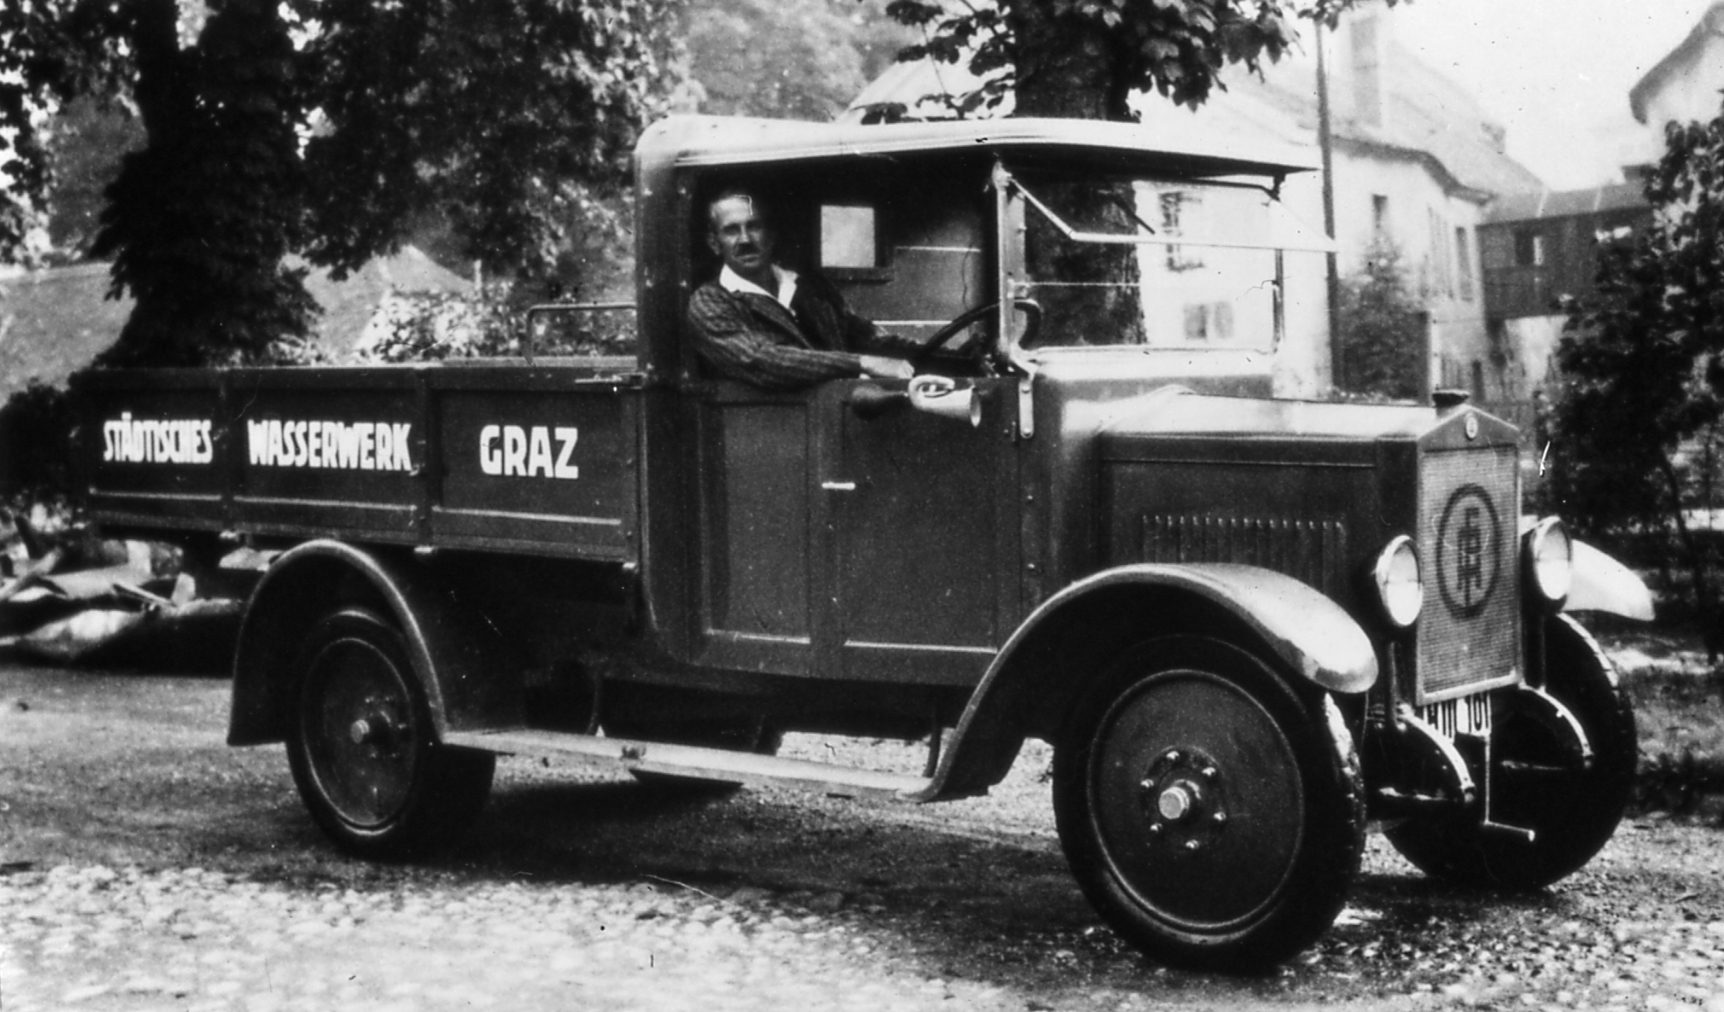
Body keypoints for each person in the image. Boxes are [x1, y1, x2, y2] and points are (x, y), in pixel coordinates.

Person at [686, 190, 918, 391]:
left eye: (754, 226)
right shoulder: (710, 303)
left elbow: (864, 335)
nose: (745, 239)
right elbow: (761, 360)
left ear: (772, 235)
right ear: (715, 243)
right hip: (770, 430)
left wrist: (935, 354)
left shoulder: (810, 287)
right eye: (731, 230)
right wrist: (861, 363)